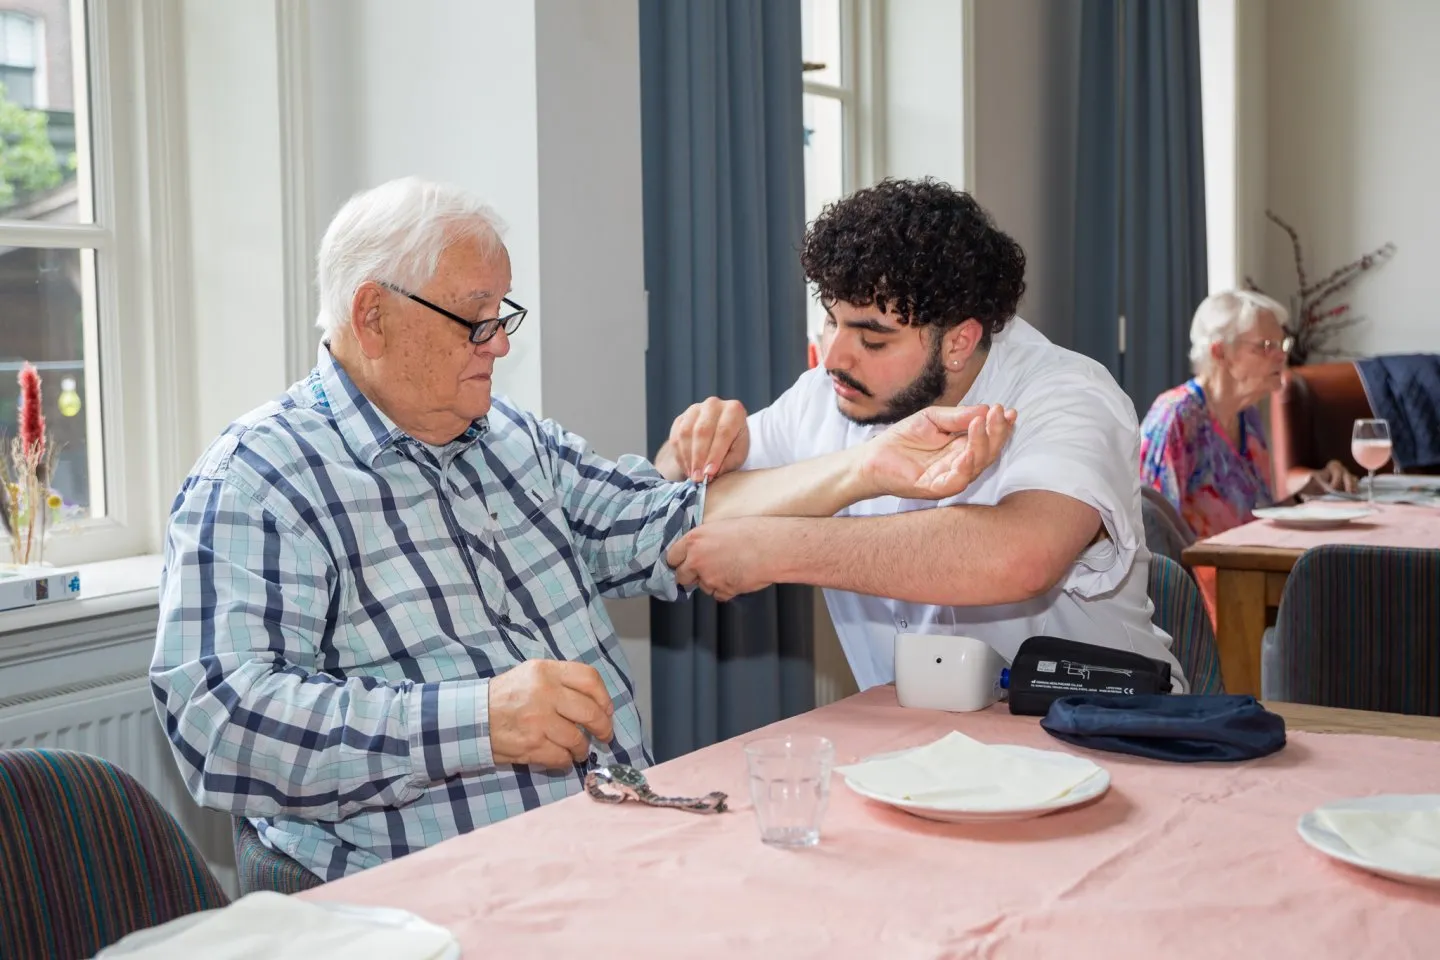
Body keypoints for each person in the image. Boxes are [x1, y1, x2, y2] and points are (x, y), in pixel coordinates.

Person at [150, 176, 1014, 881]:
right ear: (372, 315)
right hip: (439, 894)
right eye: (475, 318)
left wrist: (870, 468)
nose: (498, 344)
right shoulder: (263, 480)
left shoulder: (509, 439)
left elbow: (663, 521)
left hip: (617, 851)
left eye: (502, 315)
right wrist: (477, 720)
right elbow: (218, 721)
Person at [658, 177, 1187, 692]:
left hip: (1100, 726)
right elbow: (670, 495)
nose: (835, 357)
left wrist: (780, 548)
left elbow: (1022, 557)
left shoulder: (1068, 394)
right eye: (831, 321)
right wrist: (695, 444)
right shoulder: (826, 394)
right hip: (912, 736)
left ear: (958, 343)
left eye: (872, 339)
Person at [1139, 290, 1357, 539]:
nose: (1282, 355)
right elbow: (1152, 534)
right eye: (1266, 346)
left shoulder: (1248, 417)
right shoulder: (1178, 416)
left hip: (1245, 559)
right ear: (1220, 352)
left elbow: (1255, 521)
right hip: (1199, 565)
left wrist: (1306, 495)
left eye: (1282, 344)